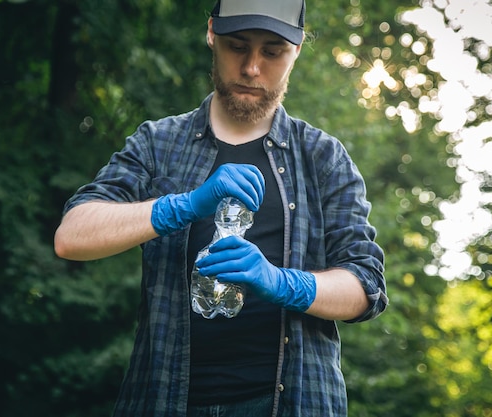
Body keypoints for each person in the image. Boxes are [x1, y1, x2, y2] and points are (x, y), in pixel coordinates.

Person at [54, 0, 388, 416]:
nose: (251, 68)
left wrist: (282, 282)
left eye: (272, 51)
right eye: (237, 46)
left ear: (296, 50)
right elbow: (71, 236)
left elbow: (365, 287)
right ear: (211, 33)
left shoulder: (323, 157)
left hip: (294, 403)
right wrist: (183, 205)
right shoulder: (158, 143)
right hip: (162, 399)